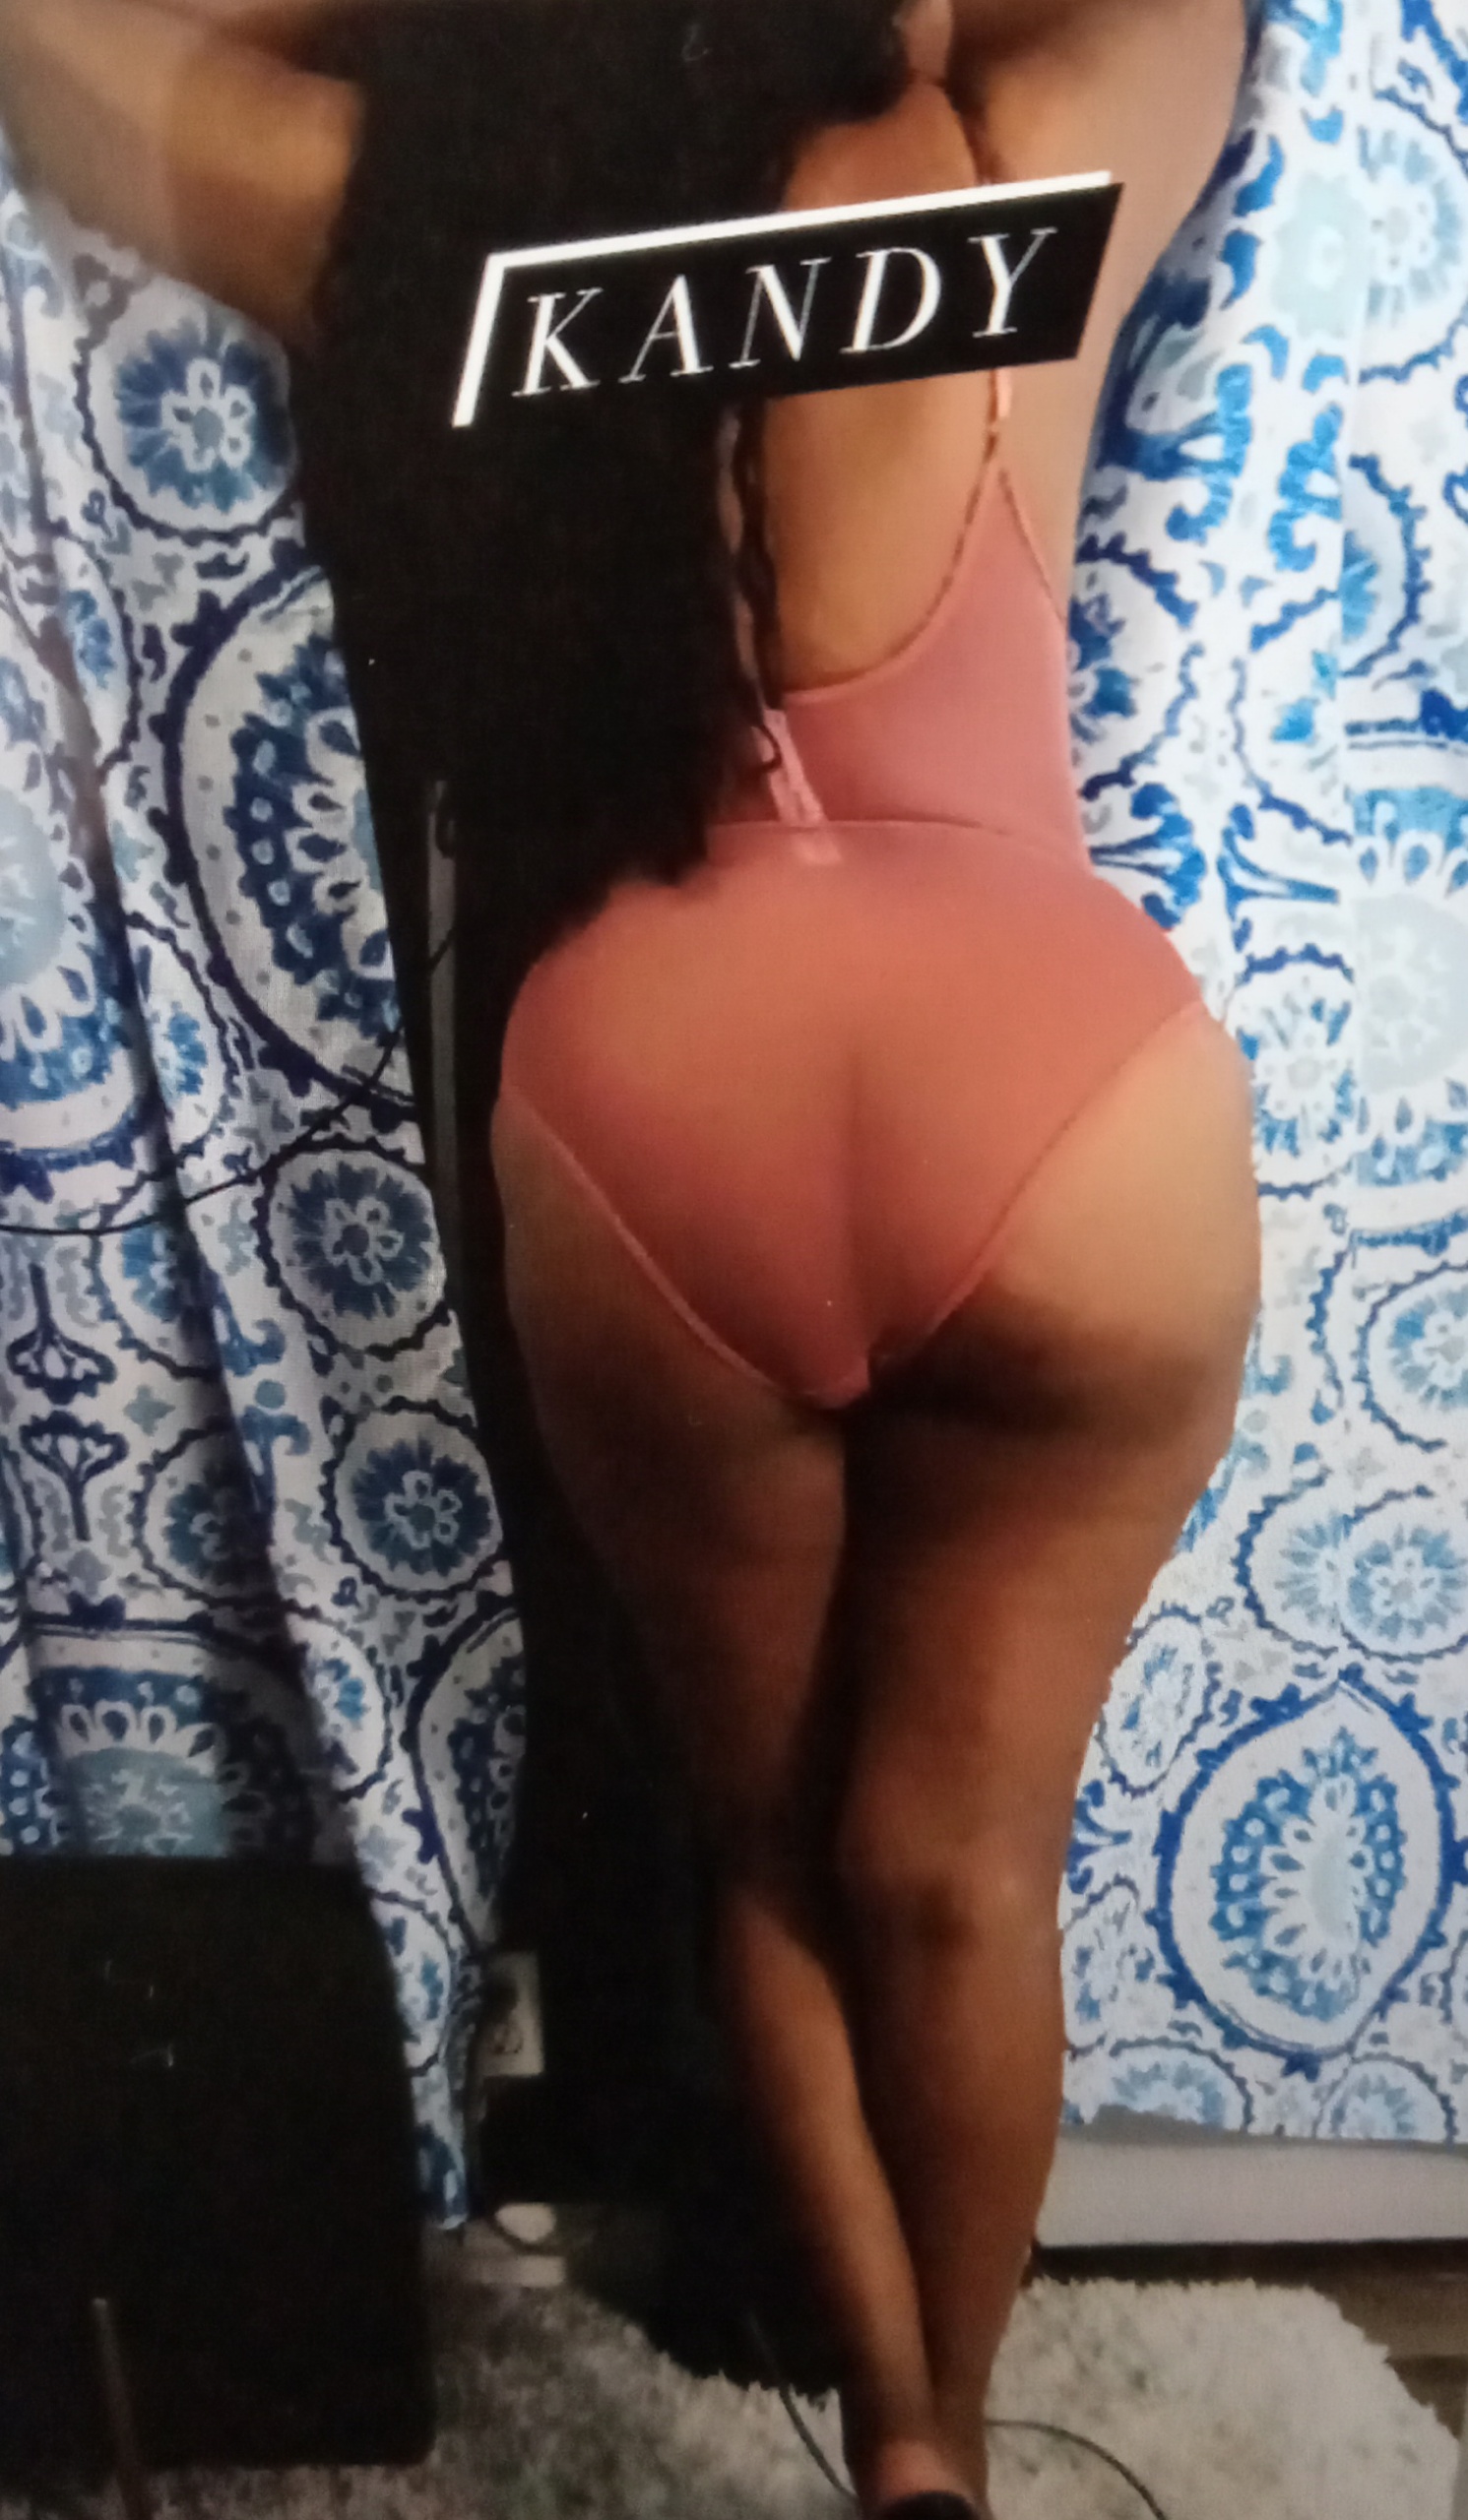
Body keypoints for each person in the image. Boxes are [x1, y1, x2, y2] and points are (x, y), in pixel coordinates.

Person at [0, 3, 1258, 2514]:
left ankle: (896, 2435)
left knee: (766, 1854)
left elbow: (53, 47)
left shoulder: (397, 223)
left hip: (651, 1093)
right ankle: (957, 2435)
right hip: (1050, 1078)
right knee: (956, 1865)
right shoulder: (1011, 148)